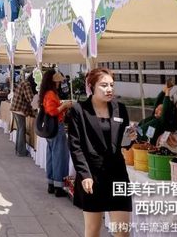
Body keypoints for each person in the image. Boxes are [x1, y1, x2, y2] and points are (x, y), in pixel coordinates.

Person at [67, 68, 134, 237]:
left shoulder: (120, 109)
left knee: (122, 231)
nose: (109, 89)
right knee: (93, 230)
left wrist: (131, 138)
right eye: (104, 85)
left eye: (111, 85)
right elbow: (75, 145)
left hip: (117, 174)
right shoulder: (79, 110)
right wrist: (85, 174)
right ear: (91, 87)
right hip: (92, 176)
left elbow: (124, 143)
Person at [40, 70, 73, 197]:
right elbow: (52, 111)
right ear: (52, 81)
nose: (59, 83)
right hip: (56, 127)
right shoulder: (50, 94)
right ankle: (59, 187)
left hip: (50, 128)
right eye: (57, 81)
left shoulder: (47, 93)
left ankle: (51, 184)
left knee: (52, 156)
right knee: (59, 156)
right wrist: (64, 106)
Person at [10, 72, 36, 157]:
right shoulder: (27, 84)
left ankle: (18, 150)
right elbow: (30, 98)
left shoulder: (24, 82)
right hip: (19, 109)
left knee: (20, 129)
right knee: (22, 129)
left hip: (16, 108)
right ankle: (21, 152)